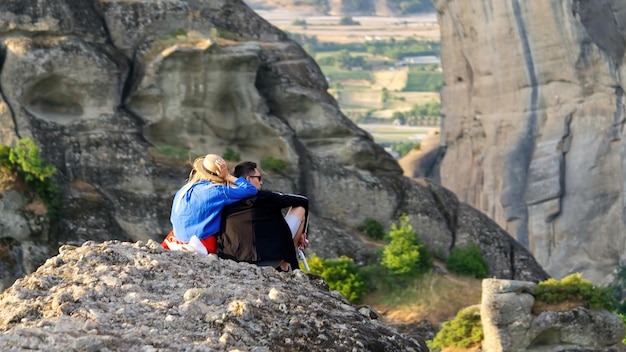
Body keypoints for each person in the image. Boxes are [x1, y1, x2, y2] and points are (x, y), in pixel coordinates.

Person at [218, 161, 308, 271]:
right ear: (248, 179)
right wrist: (303, 233)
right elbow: (303, 200)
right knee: (300, 209)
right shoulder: (267, 197)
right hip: (270, 259)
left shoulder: (225, 200)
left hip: (233, 259)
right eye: (259, 178)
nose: (261, 182)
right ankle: (285, 262)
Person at [162, 154, 258, 255]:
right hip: (202, 242)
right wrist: (227, 176)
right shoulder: (218, 191)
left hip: (177, 237)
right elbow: (251, 190)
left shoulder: (184, 190)